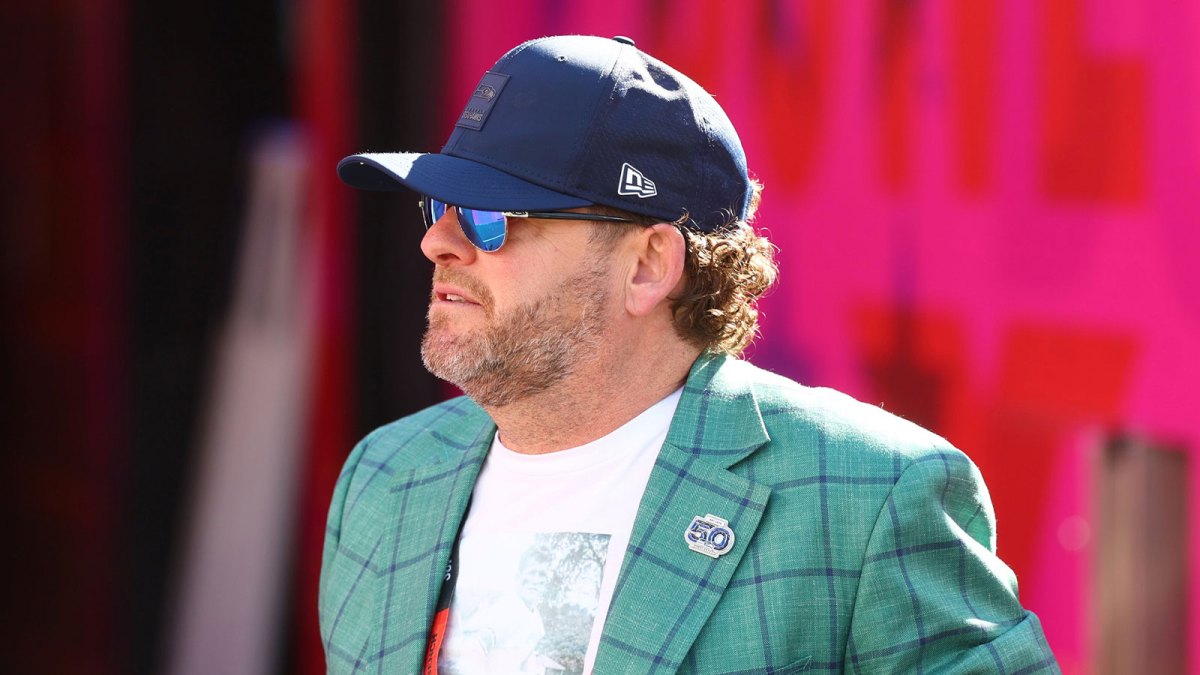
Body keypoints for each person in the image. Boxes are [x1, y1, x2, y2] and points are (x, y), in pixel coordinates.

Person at [320, 34, 1058, 674]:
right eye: (437, 206)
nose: (436, 242)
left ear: (647, 264)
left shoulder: (869, 496)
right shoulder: (385, 477)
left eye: (490, 218)